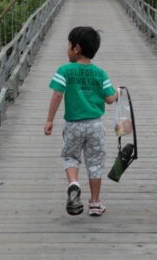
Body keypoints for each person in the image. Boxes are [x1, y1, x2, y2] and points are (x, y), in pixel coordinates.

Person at [44, 26, 117, 216]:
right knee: (95, 163)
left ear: (76, 49)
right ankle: (94, 203)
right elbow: (110, 99)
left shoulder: (65, 70)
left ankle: (74, 184)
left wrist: (49, 120)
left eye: (68, 45)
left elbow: (57, 94)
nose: (67, 48)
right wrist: (117, 92)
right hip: (95, 125)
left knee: (71, 157)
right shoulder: (100, 73)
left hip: (73, 125)